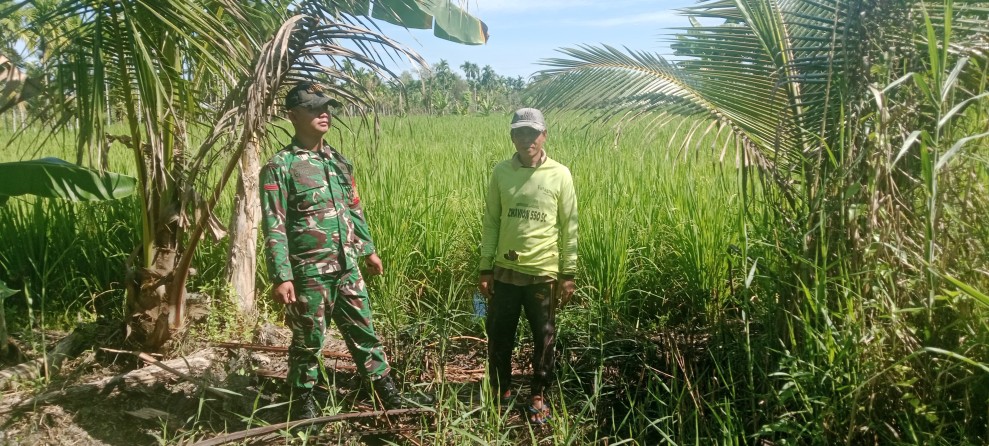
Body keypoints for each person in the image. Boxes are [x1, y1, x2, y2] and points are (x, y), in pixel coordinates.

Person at [260, 82, 429, 421]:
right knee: (309, 341)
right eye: (313, 108)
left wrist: (368, 249)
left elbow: (354, 207)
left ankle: (386, 392)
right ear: (293, 115)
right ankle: (303, 404)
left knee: (364, 330)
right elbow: (274, 225)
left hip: (347, 266)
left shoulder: (338, 161)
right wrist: (282, 276)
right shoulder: (281, 166)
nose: (324, 113)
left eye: (326, 107)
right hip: (309, 272)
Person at [478, 107, 578, 424]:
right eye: (520, 133)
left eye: (532, 133)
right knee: (499, 334)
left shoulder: (560, 174)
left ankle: (538, 394)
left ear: (544, 135)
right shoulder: (501, 172)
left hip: (543, 273)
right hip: (505, 272)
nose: (526, 139)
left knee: (544, 337)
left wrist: (568, 274)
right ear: (512, 137)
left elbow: (569, 227)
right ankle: (502, 391)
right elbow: (492, 222)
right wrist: (485, 268)